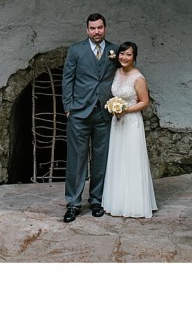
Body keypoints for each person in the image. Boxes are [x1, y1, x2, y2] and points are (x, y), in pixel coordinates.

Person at [61, 13, 117, 222]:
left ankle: (96, 200)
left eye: (100, 28)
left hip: (104, 112)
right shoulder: (76, 50)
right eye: (92, 28)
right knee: (76, 160)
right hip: (79, 113)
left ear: (105, 28)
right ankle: (73, 204)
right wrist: (68, 107)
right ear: (87, 30)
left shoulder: (114, 49)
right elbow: (68, 79)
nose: (96, 32)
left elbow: (121, 75)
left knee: (101, 159)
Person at [101, 41, 157, 218]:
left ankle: (135, 204)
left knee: (132, 160)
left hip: (131, 122)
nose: (124, 57)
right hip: (117, 123)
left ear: (134, 57)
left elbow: (144, 102)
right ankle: (117, 202)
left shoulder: (138, 77)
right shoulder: (116, 72)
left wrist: (124, 109)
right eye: (122, 54)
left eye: (128, 54)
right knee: (118, 160)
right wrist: (114, 108)